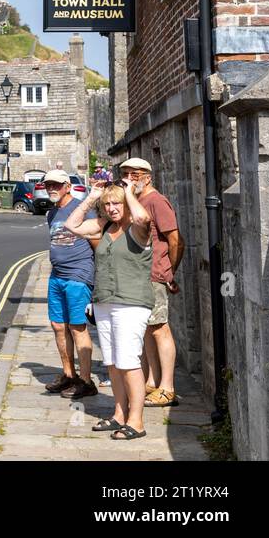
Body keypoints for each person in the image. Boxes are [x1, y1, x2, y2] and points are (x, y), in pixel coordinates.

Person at [65, 180, 153, 440]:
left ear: (126, 203)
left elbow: (142, 216)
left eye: (117, 204)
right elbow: (72, 225)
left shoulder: (139, 229)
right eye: (108, 204)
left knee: (129, 363)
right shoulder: (105, 227)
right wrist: (92, 197)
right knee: (113, 363)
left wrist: (127, 192)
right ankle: (119, 414)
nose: (113, 208)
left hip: (131, 303)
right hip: (105, 303)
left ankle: (136, 421)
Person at [118, 157, 184, 407]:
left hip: (154, 274)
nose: (129, 178)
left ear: (147, 176)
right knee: (147, 329)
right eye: (125, 173)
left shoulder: (156, 200)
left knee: (160, 328)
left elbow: (175, 239)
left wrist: (168, 271)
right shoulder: (136, 199)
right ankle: (153, 382)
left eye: (134, 174)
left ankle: (167, 387)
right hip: (139, 274)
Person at [41, 169, 97, 400]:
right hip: (57, 277)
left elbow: (97, 243)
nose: (51, 189)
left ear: (67, 186)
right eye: (48, 185)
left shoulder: (83, 209)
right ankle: (68, 374)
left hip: (78, 275)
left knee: (77, 327)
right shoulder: (51, 214)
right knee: (57, 325)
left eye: (56, 185)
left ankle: (86, 381)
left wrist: (99, 278)